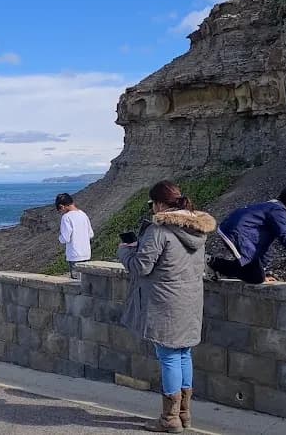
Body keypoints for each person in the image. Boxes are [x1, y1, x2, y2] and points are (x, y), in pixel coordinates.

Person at [117, 180, 215, 432]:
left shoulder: (159, 230)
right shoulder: (197, 230)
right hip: (190, 301)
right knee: (183, 354)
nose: (152, 208)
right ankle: (184, 415)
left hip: (165, 302)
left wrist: (125, 252)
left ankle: (170, 419)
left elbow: (141, 267)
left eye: (152, 203)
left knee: (169, 356)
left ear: (160, 204)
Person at [55, 193, 95, 279]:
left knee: (77, 282)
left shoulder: (66, 217)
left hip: (74, 255)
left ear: (62, 206)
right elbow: (91, 234)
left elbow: (65, 238)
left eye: (60, 210)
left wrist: (60, 238)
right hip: (86, 253)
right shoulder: (83, 214)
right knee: (86, 281)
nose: (61, 212)